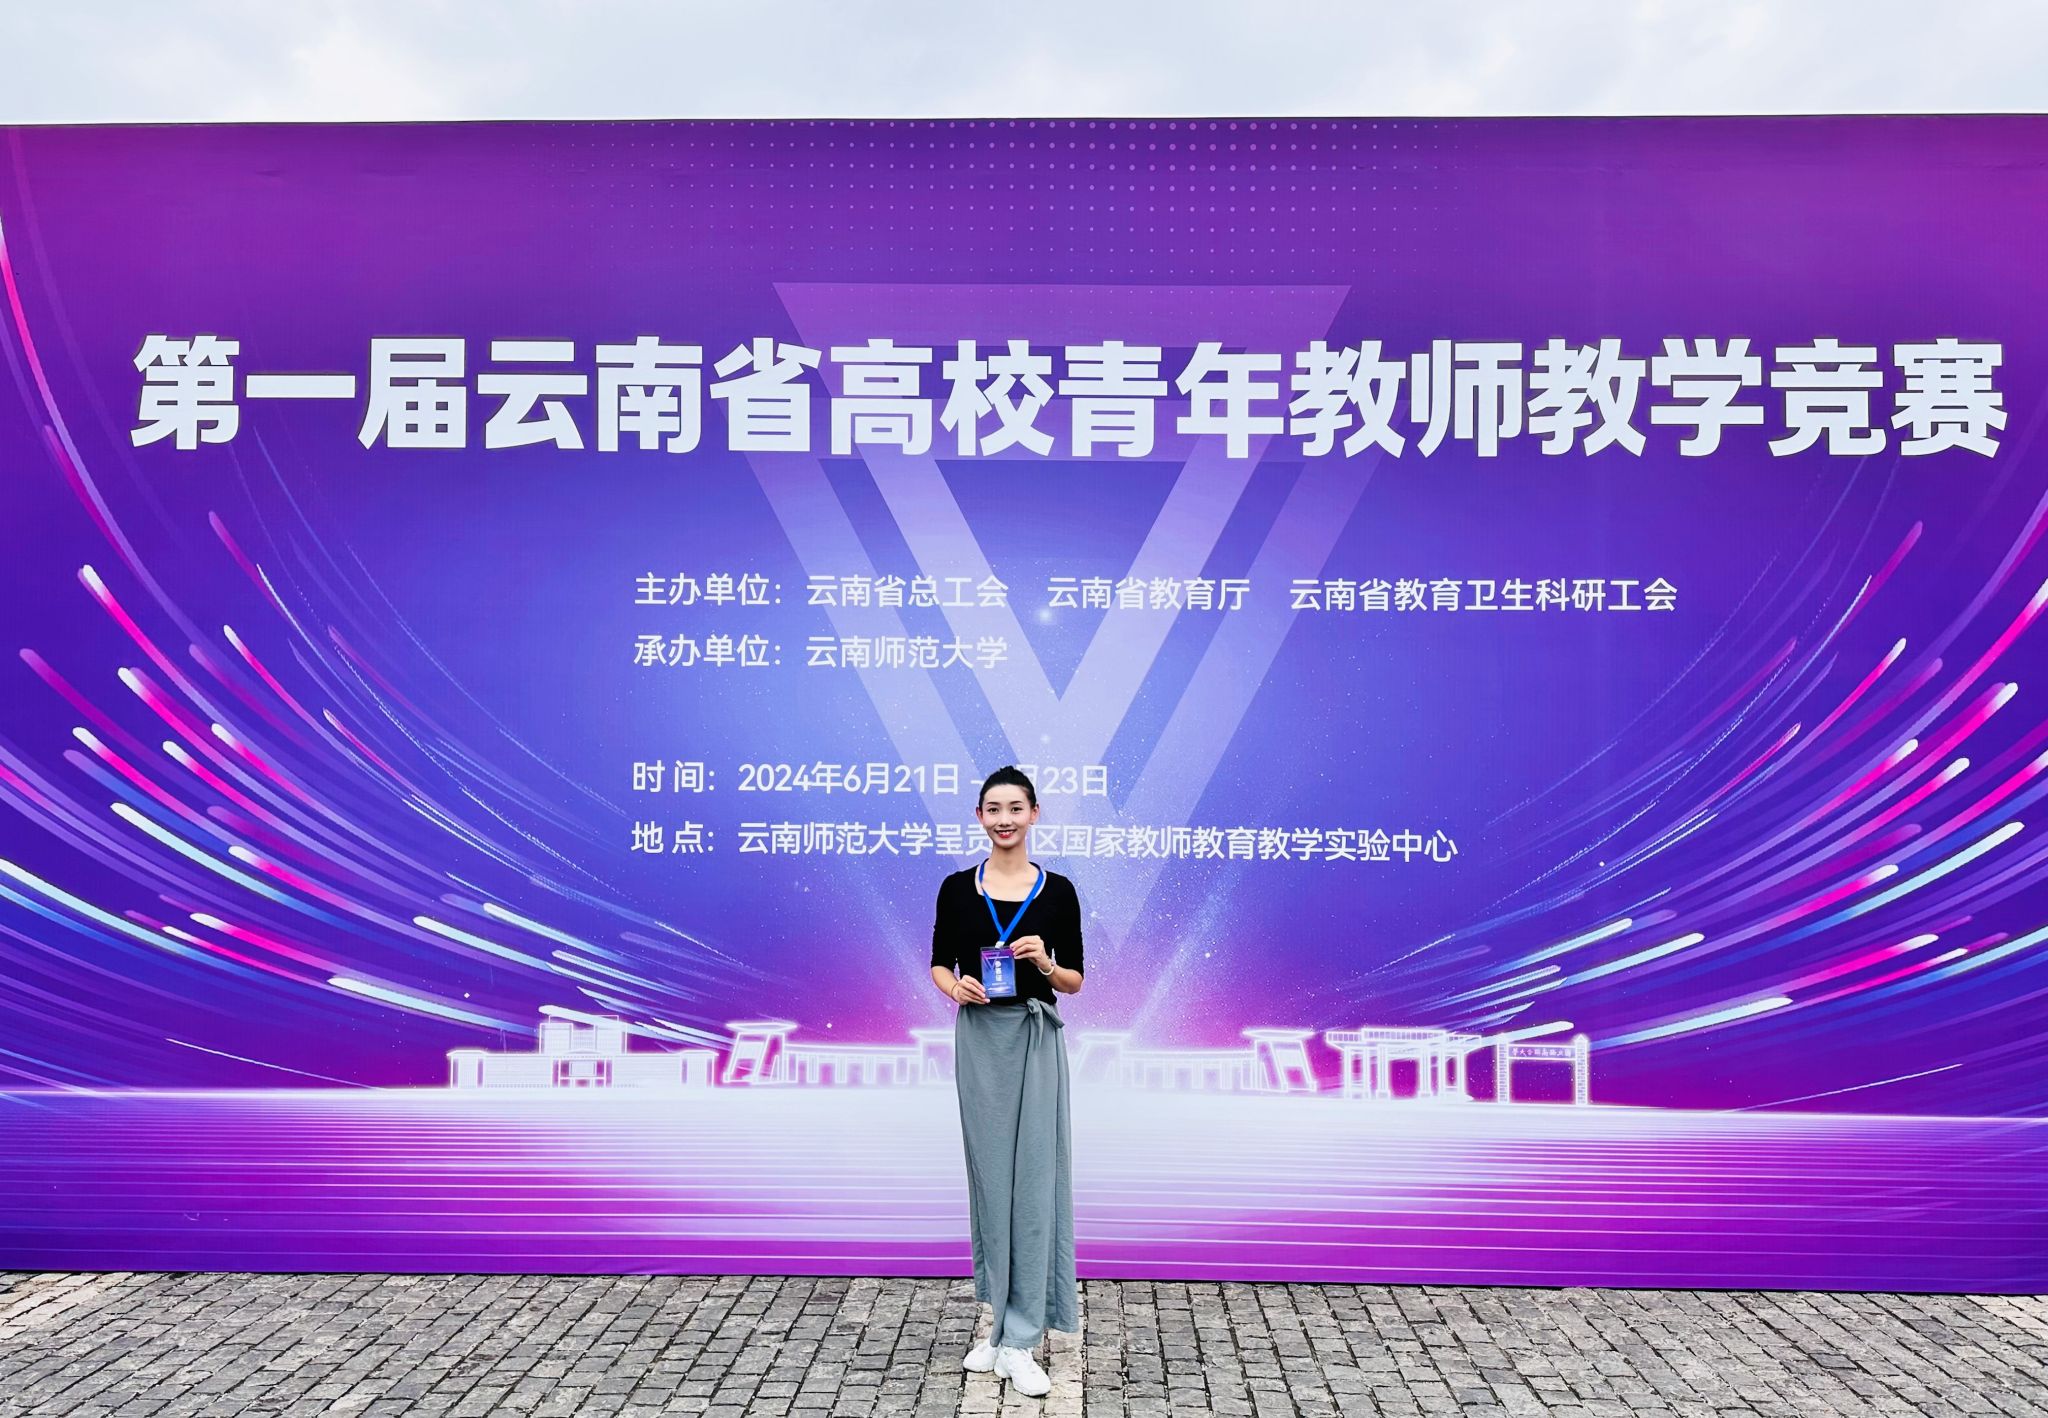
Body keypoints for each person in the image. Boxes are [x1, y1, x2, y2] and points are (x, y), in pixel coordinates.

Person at [928, 765, 1084, 1400]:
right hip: (979, 1041)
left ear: (1034, 814)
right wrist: (955, 988)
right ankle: (997, 1324)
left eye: (1015, 808)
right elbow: (939, 964)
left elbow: (1075, 981)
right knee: (991, 1182)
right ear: (979, 817)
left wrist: (1044, 961)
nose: (1004, 819)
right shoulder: (956, 888)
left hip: (1034, 1037)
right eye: (993, 808)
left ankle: (1021, 1338)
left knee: (1035, 1181)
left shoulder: (1059, 891)